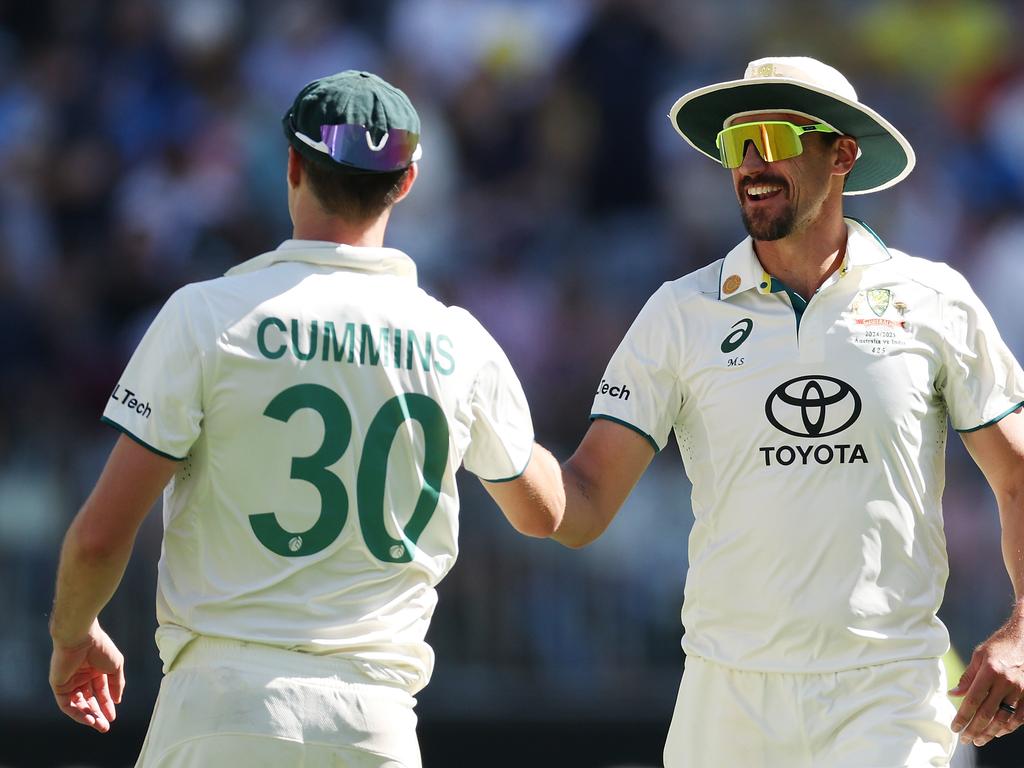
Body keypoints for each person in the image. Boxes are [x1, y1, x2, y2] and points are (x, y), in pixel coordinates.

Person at [47, 70, 564, 767]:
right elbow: (543, 512)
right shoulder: (459, 342)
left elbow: (99, 540)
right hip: (374, 725)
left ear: (292, 165)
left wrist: (71, 633)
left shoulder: (205, 316)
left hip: (222, 705)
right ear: (406, 182)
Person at [552, 56, 1024, 766]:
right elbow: (583, 502)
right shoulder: (680, 312)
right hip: (725, 697)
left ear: (842, 154)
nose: (751, 163)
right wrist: (493, 442)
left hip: (887, 694)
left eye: (772, 137)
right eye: (735, 146)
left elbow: (1017, 474)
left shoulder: (935, 299)